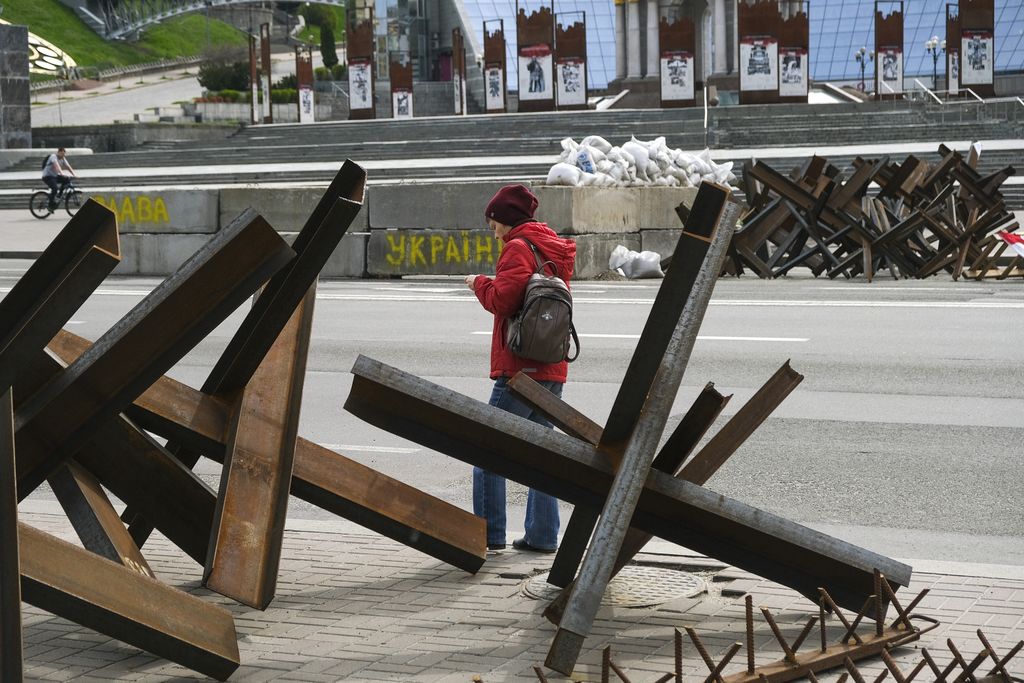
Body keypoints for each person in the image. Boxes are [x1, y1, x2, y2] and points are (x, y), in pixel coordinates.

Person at [464, 184, 577, 553]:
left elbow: (503, 300)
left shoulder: (517, 247)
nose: (492, 228)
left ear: (505, 218)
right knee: (539, 454)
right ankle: (543, 535)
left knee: (487, 447)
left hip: (518, 368)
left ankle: (488, 535)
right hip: (551, 364)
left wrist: (479, 283)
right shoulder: (553, 246)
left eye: (493, 221)